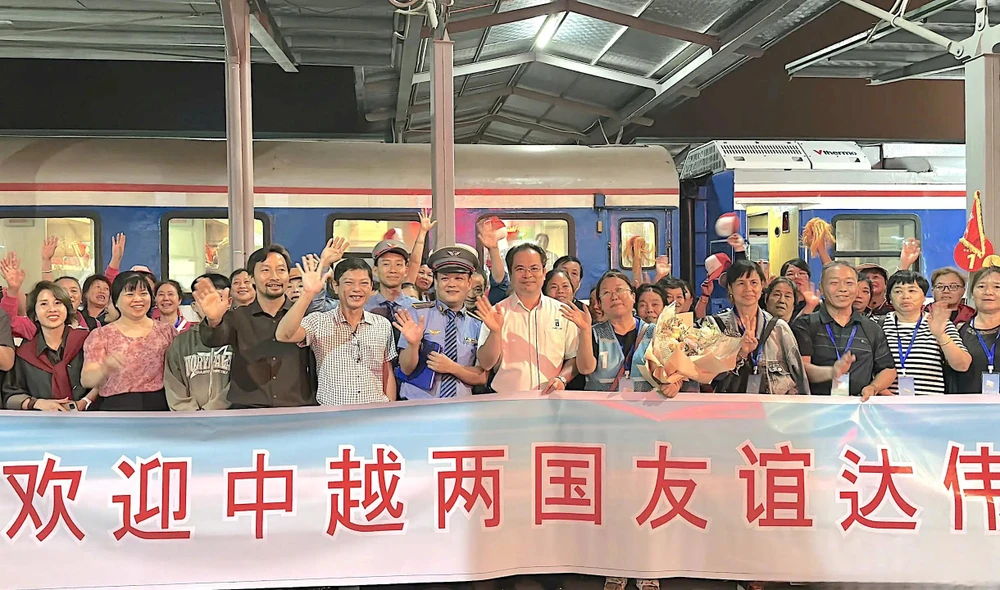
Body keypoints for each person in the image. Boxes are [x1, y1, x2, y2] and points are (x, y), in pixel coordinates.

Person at [196, 245, 315, 408]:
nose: (274, 277)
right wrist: (214, 320)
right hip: (247, 411)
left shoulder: (306, 316)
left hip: (296, 409)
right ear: (251, 278)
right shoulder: (237, 316)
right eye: (265, 270)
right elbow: (212, 340)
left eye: (281, 270)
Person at [276, 256, 396, 406]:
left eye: (364, 283)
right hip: (332, 415)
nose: (357, 289)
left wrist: (390, 408)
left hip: (375, 413)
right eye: (349, 283)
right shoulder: (318, 321)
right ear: (335, 286)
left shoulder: (382, 324)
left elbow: (387, 370)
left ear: (371, 287)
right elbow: (283, 335)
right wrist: (308, 294)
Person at [476, 243, 580, 394]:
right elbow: (485, 364)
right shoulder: (496, 312)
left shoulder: (562, 312)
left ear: (544, 272)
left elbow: (573, 357)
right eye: (520, 269)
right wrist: (495, 332)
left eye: (534, 268)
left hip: (550, 400)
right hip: (506, 401)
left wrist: (562, 379)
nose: (527, 275)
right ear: (510, 274)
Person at [792, 262, 896, 400]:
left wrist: (874, 387)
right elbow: (801, 368)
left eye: (849, 283)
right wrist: (832, 372)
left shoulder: (872, 328)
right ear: (821, 288)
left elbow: (888, 369)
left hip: (859, 410)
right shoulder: (805, 324)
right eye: (834, 283)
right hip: (815, 409)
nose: (843, 289)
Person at [394, 246, 487, 399]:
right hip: (418, 407)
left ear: (469, 283)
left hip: (460, 407)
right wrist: (413, 344)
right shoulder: (417, 313)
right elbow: (406, 369)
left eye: (459, 278)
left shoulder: (477, 324)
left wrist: (452, 368)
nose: (451, 284)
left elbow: (481, 377)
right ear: (435, 282)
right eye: (445, 278)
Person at [709, 260, 808, 395]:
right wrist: (739, 355)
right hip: (730, 410)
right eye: (741, 283)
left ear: (762, 287)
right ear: (730, 288)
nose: (748, 289)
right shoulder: (715, 326)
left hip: (774, 411)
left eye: (754, 283)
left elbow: (799, 378)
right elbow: (708, 377)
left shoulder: (779, 328)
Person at [82, 271, 176, 411]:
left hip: (159, 406)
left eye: (143, 293)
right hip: (116, 407)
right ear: (116, 301)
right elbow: (86, 380)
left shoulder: (167, 332)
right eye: (130, 294)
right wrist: (104, 369)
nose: (138, 299)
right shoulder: (101, 335)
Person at [3, 282, 92, 411]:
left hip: (89, 420)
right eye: (44, 304)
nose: (52, 309)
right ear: (35, 314)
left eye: (58, 303)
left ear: (67, 309)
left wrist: (83, 402)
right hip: (41, 424)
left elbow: (104, 383)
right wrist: (37, 403)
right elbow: (10, 396)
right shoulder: (24, 353)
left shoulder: (87, 341)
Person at [881, 270, 970, 395]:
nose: (905, 296)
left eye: (912, 290)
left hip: (930, 407)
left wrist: (940, 335)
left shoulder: (940, 323)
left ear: (924, 297)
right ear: (889, 297)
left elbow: (962, 365)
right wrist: (892, 400)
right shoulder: (877, 325)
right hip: (886, 406)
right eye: (898, 291)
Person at [573, 270, 658, 394]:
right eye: (606, 293)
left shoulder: (653, 332)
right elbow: (585, 368)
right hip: (603, 410)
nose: (614, 297)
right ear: (600, 304)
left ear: (633, 296)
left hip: (644, 409)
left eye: (619, 290)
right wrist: (585, 331)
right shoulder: (594, 333)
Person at [164, 273, 233, 411]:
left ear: (229, 302)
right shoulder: (180, 342)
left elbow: (240, 383)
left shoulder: (238, 337)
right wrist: (192, 413)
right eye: (204, 299)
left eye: (218, 298)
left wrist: (214, 409)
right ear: (194, 306)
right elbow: (173, 384)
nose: (211, 304)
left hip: (230, 419)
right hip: (189, 422)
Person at [949, 267, 1000, 393]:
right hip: (967, 408)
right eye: (981, 287)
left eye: (997, 287)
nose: (988, 292)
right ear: (971, 292)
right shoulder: (957, 330)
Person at [367, 239, 418, 317]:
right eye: (386, 264)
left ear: (406, 271)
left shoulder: (418, 309)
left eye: (398, 264)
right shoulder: (363, 307)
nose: (393, 270)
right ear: (375, 270)